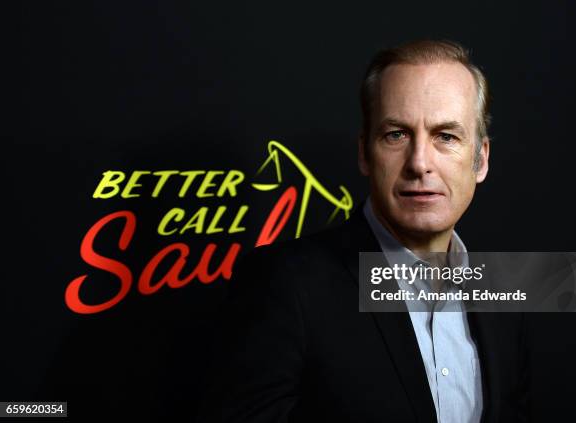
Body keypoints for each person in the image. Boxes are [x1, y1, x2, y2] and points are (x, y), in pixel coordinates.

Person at [201, 39, 530, 423]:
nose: (420, 162)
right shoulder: (284, 284)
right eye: (396, 135)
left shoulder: (503, 292)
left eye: (446, 136)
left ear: (481, 159)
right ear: (364, 154)